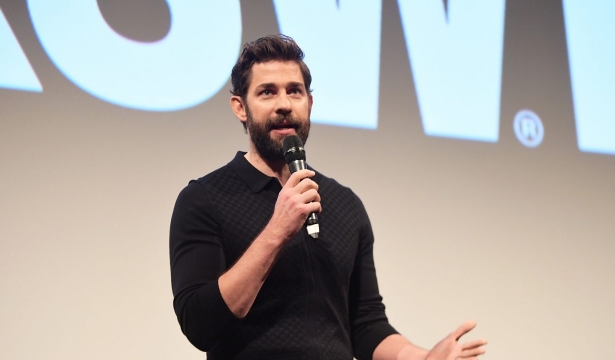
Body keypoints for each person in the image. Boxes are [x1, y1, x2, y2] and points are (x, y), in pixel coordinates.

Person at [170, 35, 487, 360]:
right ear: (240, 107)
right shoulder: (204, 199)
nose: (284, 104)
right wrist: (277, 231)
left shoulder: (344, 203)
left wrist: (425, 357)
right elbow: (199, 322)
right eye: (267, 92)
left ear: (310, 103)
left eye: (294, 91)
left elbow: (365, 325)